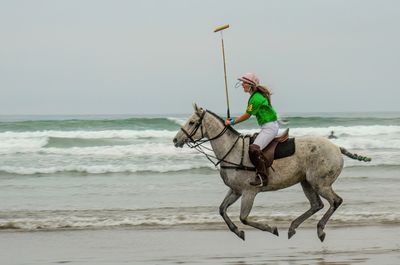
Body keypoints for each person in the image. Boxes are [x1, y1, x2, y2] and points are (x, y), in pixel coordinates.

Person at [225, 73, 279, 186]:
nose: (242, 85)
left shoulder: (256, 98)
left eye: (244, 83)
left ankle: (263, 177)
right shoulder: (255, 96)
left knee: (253, 149)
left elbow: (247, 115)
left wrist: (232, 122)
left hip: (269, 128)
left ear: (250, 85)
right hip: (267, 126)